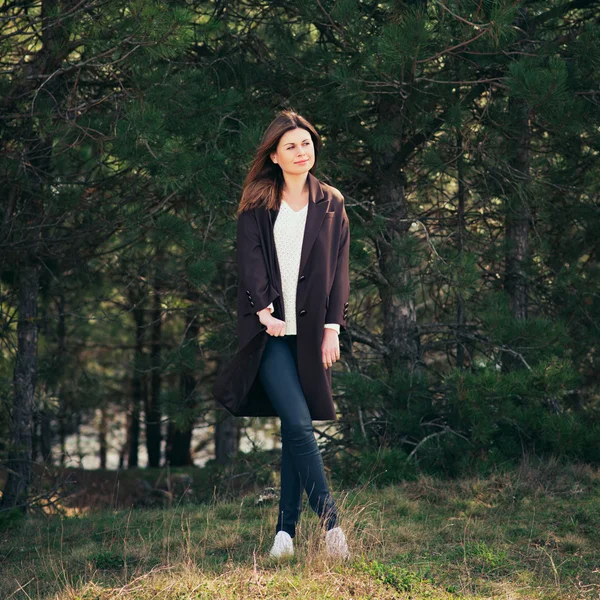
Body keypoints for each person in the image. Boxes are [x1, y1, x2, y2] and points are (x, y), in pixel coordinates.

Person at [214, 109, 351, 560]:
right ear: (273, 155)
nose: (301, 151)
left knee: (298, 431)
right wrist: (263, 311)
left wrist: (333, 327)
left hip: (311, 335)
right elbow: (250, 262)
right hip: (270, 334)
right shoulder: (257, 203)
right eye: (290, 145)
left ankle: (284, 536)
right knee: (296, 423)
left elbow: (339, 272)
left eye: (306, 143)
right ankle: (332, 527)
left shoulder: (331, 203)